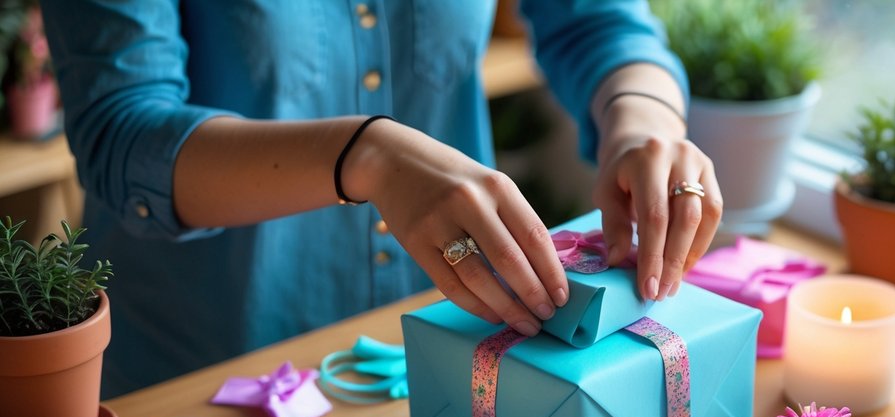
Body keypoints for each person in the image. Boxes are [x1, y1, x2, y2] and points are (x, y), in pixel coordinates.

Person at [42, 0, 722, 396]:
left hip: (454, 358)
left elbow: (598, 21)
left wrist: (642, 119)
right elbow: (120, 133)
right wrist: (366, 156)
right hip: (206, 382)